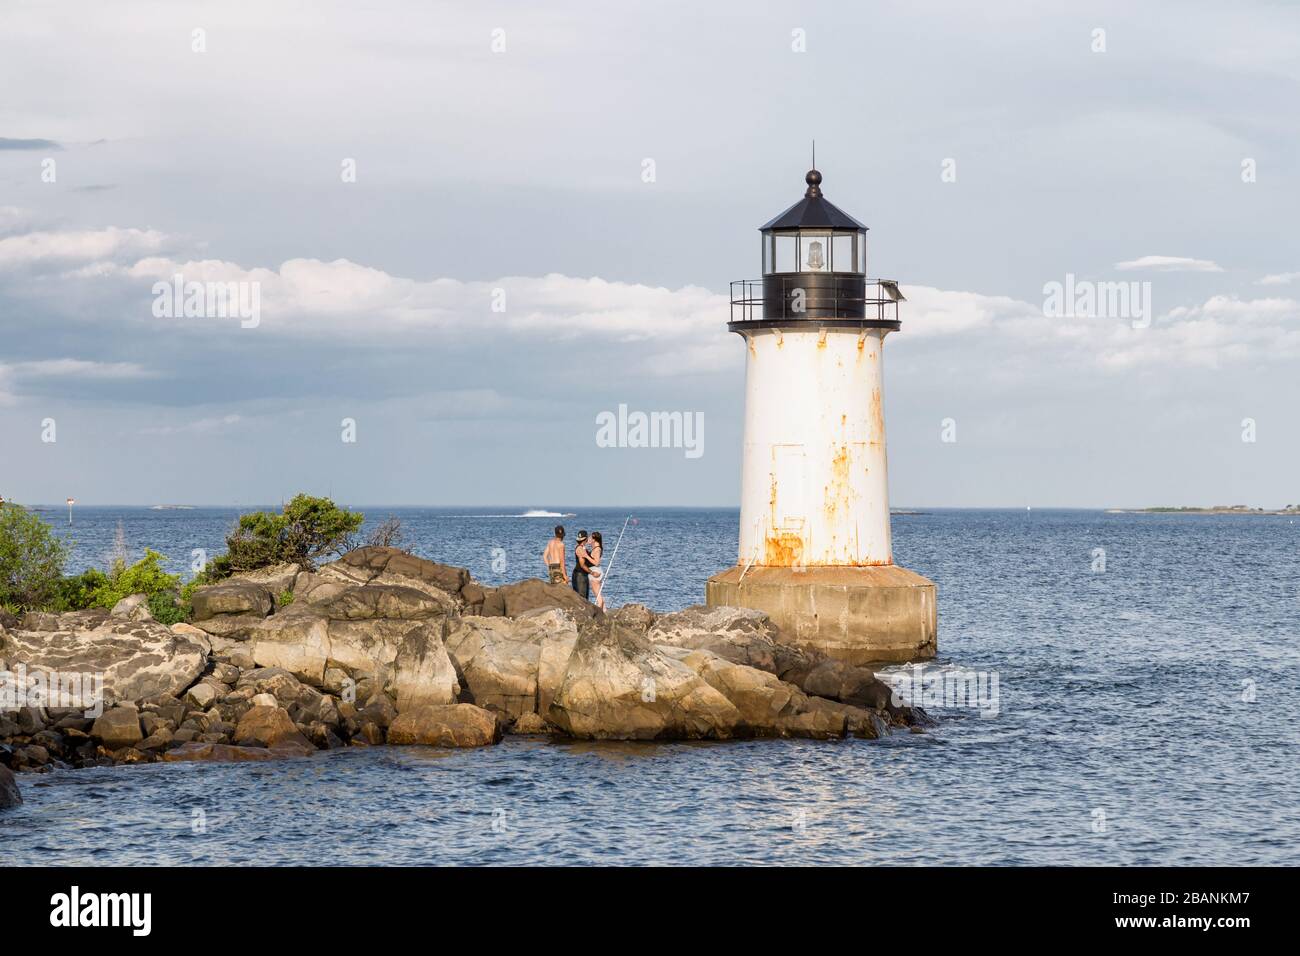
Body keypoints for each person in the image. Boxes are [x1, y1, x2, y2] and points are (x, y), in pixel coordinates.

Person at [587, 531, 605, 610]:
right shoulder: (595, 548)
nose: (589, 539)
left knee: (598, 596)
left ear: (594, 539)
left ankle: (600, 612)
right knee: (598, 594)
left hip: (595, 572)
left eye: (590, 537)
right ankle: (605, 611)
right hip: (594, 571)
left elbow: (597, 563)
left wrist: (587, 557)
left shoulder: (597, 549)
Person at [571, 530, 591, 599]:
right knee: (582, 598)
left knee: (581, 597)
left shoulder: (581, 547)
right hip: (580, 575)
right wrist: (592, 572)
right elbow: (582, 565)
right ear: (586, 539)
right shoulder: (580, 549)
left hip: (580, 574)